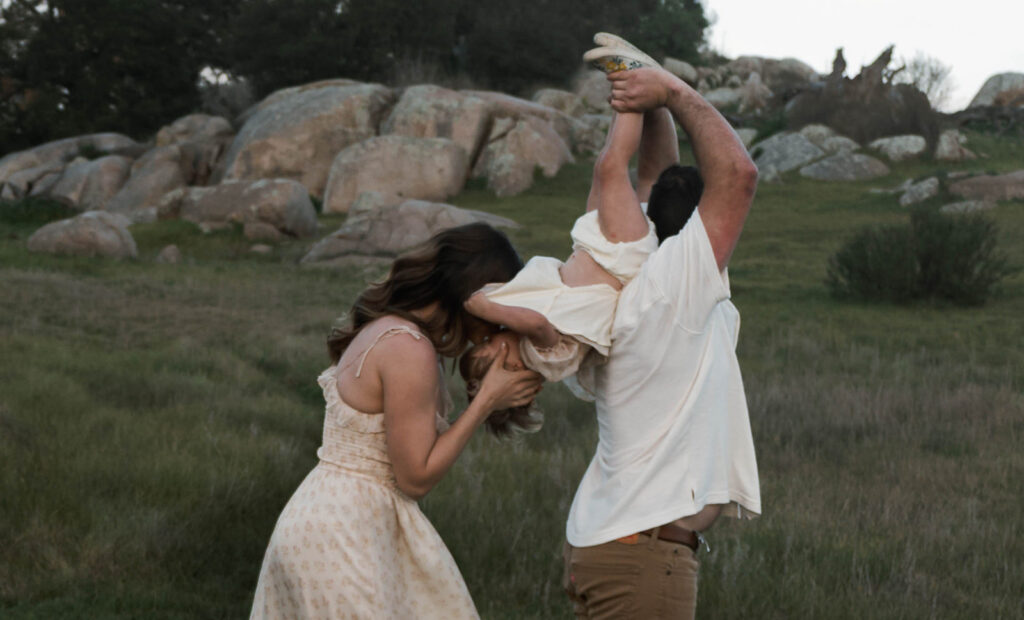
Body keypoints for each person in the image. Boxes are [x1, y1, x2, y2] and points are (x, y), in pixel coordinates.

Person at [561, 35, 762, 619]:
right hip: (642, 558)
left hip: (618, 545)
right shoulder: (678, 286)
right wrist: (672, 89)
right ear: (703, 230)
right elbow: (740, 175)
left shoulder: (640, 275)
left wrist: (641, 90)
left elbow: (653, 172)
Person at [249, 223, 544, 620]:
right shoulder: (409, 349)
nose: (499, 325)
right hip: (341, 534)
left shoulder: (392, 331)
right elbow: (415, 477)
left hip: (329, 520)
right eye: (500, 308)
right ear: (475, 295)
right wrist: (488, 400)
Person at [459, 100, 658, 434]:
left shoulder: (523, 342)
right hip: (617, 256)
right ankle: (635, 91)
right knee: (612, 168)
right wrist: (486, 308)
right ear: (505, 366)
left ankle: (636, 100)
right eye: (485, 350)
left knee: (604, 168)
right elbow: (537, 323)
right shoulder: (545, 358)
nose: (486, 341)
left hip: (594, 245)